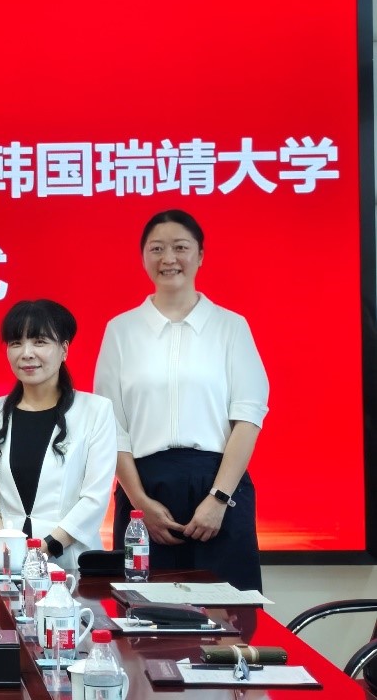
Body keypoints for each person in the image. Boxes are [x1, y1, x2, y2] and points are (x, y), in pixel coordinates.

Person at [93, 209, 269, 590]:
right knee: (144, 609)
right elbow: (111, 426)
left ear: (200, 255)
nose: (168, 258)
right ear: (143, 257)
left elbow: (248, 418)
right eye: (156, 249)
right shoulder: (121, 331)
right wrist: (139, 503)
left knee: (227, 613)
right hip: (144, 490)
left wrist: (218, 499)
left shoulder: (231, 327)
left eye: (180, 248)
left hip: (218, 487)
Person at [0, 300, 117, 573]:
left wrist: (45, 548)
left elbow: (95, 499)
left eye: (39, 342)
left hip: (69, 564)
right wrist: (8, 549)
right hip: (3, 566)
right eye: (16, 343)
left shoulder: (96, 410)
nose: (26, 353)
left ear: (64, 349)